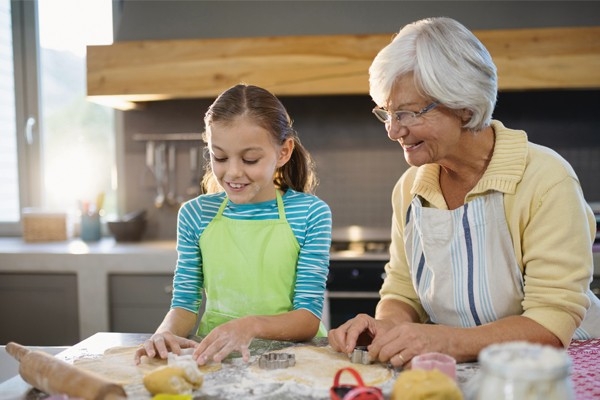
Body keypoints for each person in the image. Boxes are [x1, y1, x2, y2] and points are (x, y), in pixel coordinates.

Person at [328, 17, 600, 368]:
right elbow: (401, 292)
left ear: (465, 106)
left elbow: (551, 321)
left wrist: (445, 340)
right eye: (388, 113)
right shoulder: (410, 188)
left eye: (408, 113)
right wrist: (388, 329)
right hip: (457, 368)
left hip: (558, 369)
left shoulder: (545, 179)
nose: (394, 131)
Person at [135, 83, 332, 366]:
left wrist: (249, 326)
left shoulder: (310, 214)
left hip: (292, 361)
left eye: (250, 159)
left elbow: (308, 318)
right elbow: (184, 304)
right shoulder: (195, 214)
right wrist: (164, 334)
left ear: (284, 152)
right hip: (218, 358)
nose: (233, 172)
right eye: (220, 157)